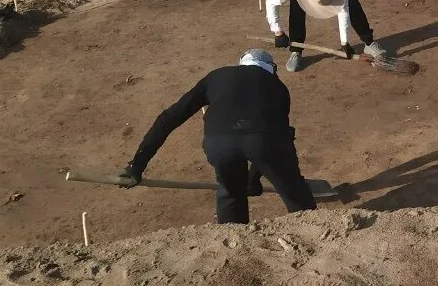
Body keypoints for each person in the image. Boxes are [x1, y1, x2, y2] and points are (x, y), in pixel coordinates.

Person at [116, 49, 316, 224]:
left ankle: (234, 251)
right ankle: (312, 232)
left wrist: (137, 165)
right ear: (271, 68)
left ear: (241, 62)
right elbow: (274, 138)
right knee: (294, 191)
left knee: (230, 194)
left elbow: (169, 118)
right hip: (264, 143)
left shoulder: (215, 77)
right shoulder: (277, 87)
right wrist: (253, 179)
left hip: (219, 144)